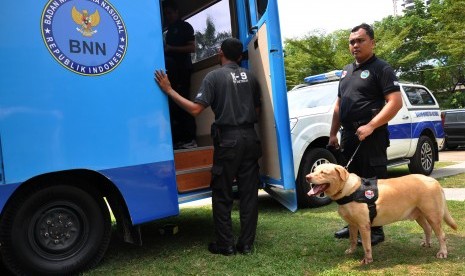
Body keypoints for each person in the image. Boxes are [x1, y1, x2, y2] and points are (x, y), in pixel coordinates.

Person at [154, 38, 262, 255]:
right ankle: (247, 244)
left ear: (220, 52)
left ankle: (226, 245)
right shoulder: (251, 77)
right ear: (240, 56)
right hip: (251, 138)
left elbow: (195, 110)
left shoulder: (214, 77)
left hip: (228, 141)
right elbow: (257, 112)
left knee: (222, 194)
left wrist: (169, 90)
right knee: (249, 194)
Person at [328, 23, 403, 245]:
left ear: (372, 42)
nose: (355, 45)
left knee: (371, 183)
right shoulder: (346, 70)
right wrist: (333, 133)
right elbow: (339, 105)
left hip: (371, 136)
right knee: (349, 182)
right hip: (349, 135)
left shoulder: (382, 68)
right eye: (352, 41)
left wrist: (371, 125)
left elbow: (395, 103)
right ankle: (353, 225)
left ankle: (376, 229)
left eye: (360, 40)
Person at [162, 0, 197, 149]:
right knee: (173, 105)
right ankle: (178, 140)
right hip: (171, 72)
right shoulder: (168, 30)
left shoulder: (185, 27)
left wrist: (171, 48)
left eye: (170, 13)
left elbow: (192, 47)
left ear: (176, 12)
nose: (168, 16)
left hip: (182, 70)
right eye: (166, 14)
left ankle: (190, 139)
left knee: (183, 102)